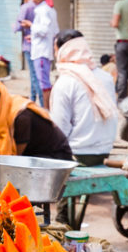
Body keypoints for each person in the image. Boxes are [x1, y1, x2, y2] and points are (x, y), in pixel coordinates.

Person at [50, 30, 118, 166]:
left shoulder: (65, 82)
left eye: (55, 49)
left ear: (62, 51)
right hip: (105, 152)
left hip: (77, 155)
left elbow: (60, 130)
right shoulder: (106, 78)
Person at [21, 0, 58, 109]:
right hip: (42, 49)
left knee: (44, 84)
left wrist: (30, 26)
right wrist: (33, 35)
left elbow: (45, 30)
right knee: (44, 82)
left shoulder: (44, 10)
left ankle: (47, 110)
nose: (31, 0)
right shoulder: (47, 9)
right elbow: (51, 31)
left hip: (41, 52)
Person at [15, 0, 43, 104]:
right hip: (41, 46)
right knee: (37, 74)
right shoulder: (43, 8)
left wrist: (18, 26)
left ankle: (36, 99)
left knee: (34, 74)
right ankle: (35, 99)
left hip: (29, 45)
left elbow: (17, 26)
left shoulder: (26, 7)